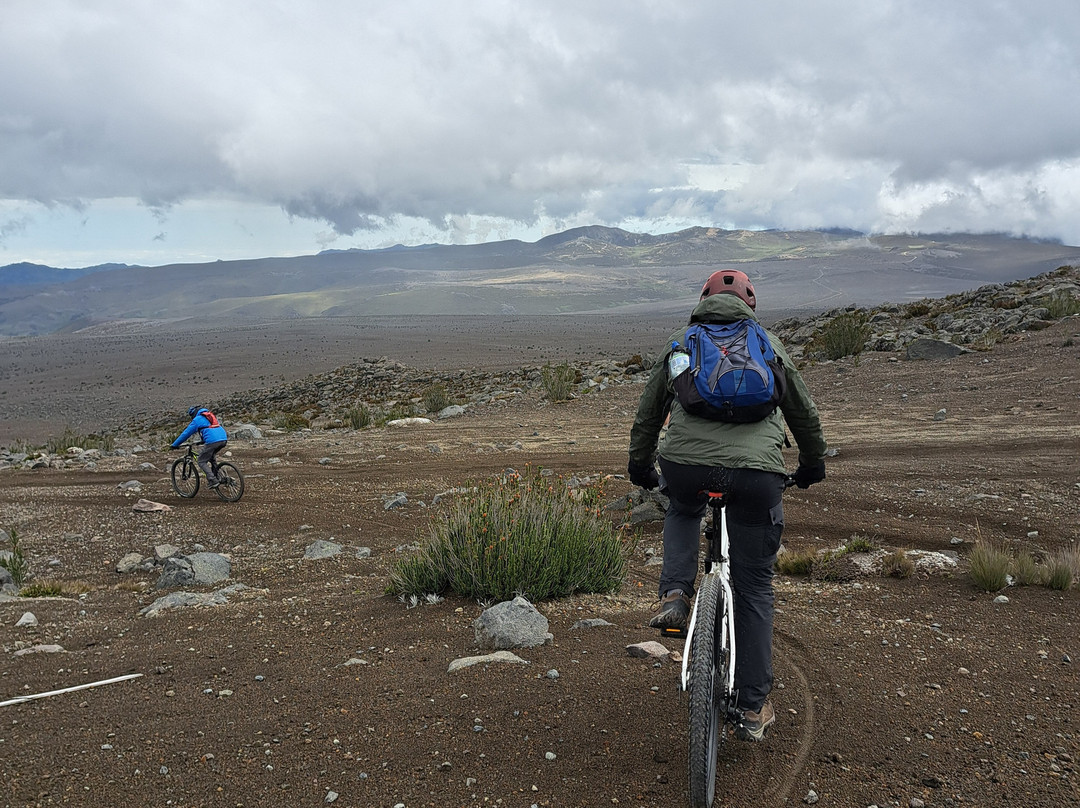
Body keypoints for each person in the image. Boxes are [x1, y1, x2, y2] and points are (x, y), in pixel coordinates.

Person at [627, 269, 827, 742]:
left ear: (703, 301)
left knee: (680, 508)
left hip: (687, 467)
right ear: (749, 306)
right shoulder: (767, 343)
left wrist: (641, 466)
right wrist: (813, 462)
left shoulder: (681, 342)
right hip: (757, 475)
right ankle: (753, 707)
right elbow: (802, 410)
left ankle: (675, 593)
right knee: (754, 587)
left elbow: (649, 411)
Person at [171, 406, 228, 488]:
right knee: (211, 458)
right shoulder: (210, 416)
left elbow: (186, 433)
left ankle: (213, 480)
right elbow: (210, 430)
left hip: (212, 441)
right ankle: (219, 477)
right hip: (223, 439)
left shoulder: (197, 419)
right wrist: (203, 440)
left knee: (201, 460)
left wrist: (175, 444)